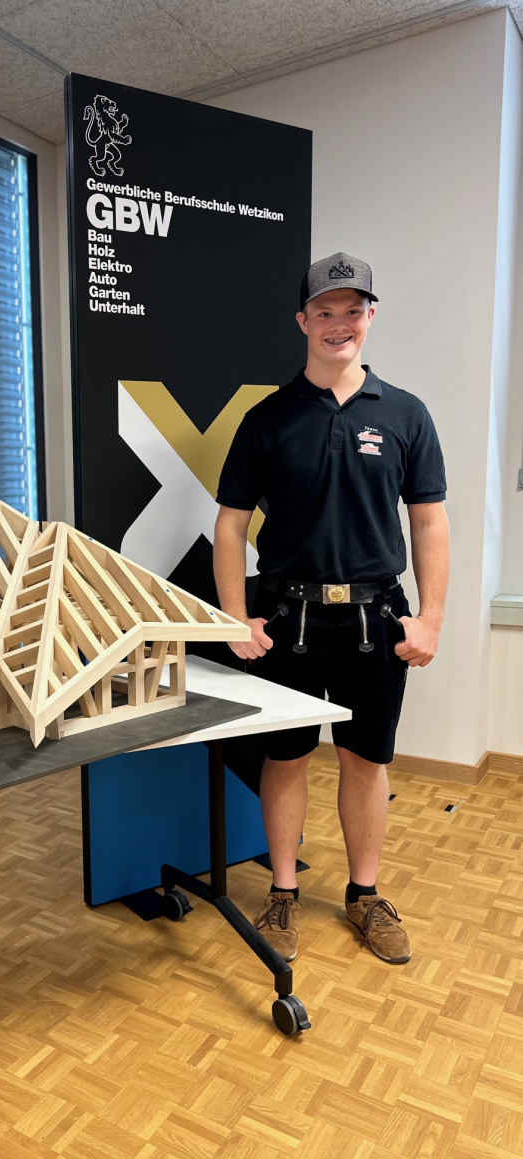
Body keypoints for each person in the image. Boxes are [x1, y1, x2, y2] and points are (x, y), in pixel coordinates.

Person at [213, 251, 448, 965]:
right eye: (325, 311)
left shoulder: (406, 414)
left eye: (352, 310)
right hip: (289, 619)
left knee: (365, 760)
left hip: (377, 620)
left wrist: (431, 619)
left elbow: (429, 522)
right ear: (303, 320)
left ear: (370, 317)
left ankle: (364, 894)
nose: (338, 323)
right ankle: (282, 893)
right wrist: (234, 616)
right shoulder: (267, 419)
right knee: (285, 759)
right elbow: (230, 525)